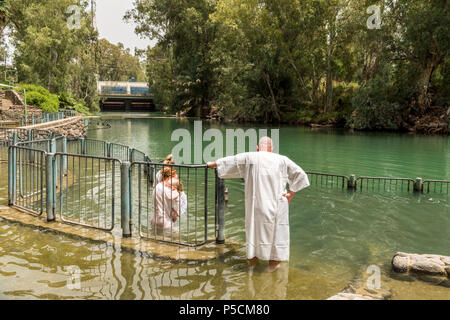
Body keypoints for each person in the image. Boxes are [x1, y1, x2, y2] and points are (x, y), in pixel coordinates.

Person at [207, 137, 310, 272]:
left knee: (253, 233)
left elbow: (231, 160)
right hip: (278, 204)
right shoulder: (282, 159)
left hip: (256, 204)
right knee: (276, 234)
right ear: (272, 149)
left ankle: (252, 265)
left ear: (257, 147)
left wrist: (213, 164)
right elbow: (301, 175)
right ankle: (273, 266)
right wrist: (291, 193)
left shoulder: (251, 157)